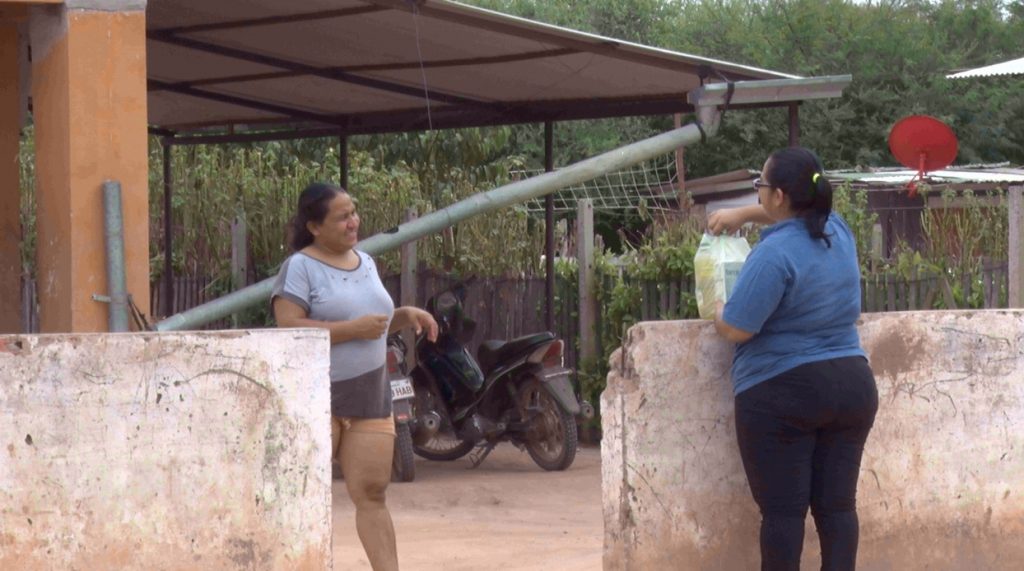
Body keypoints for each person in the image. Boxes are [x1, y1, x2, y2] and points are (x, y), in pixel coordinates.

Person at [707, 147, 879, 571]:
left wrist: (716, 312)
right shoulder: (836, 231)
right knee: (837, 510)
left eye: (760, 187)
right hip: (853, 386)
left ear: (779, 195)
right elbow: (795, 215)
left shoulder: (772, 255)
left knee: (784, 515)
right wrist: (744, 214)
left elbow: (738, 328)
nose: (758, 195)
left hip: (783, 392)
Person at [271, 182, 437, 571]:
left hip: (369, 395)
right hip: (319, 399)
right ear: (314, 226)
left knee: (373, 494)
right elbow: (288, 328)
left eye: (354, 213)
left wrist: (404, 314)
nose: (353, 222)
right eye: (342, 216)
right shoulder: (300, 267)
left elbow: (372, 324)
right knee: (301, 495)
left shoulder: (366, 262)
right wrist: (352, 330)